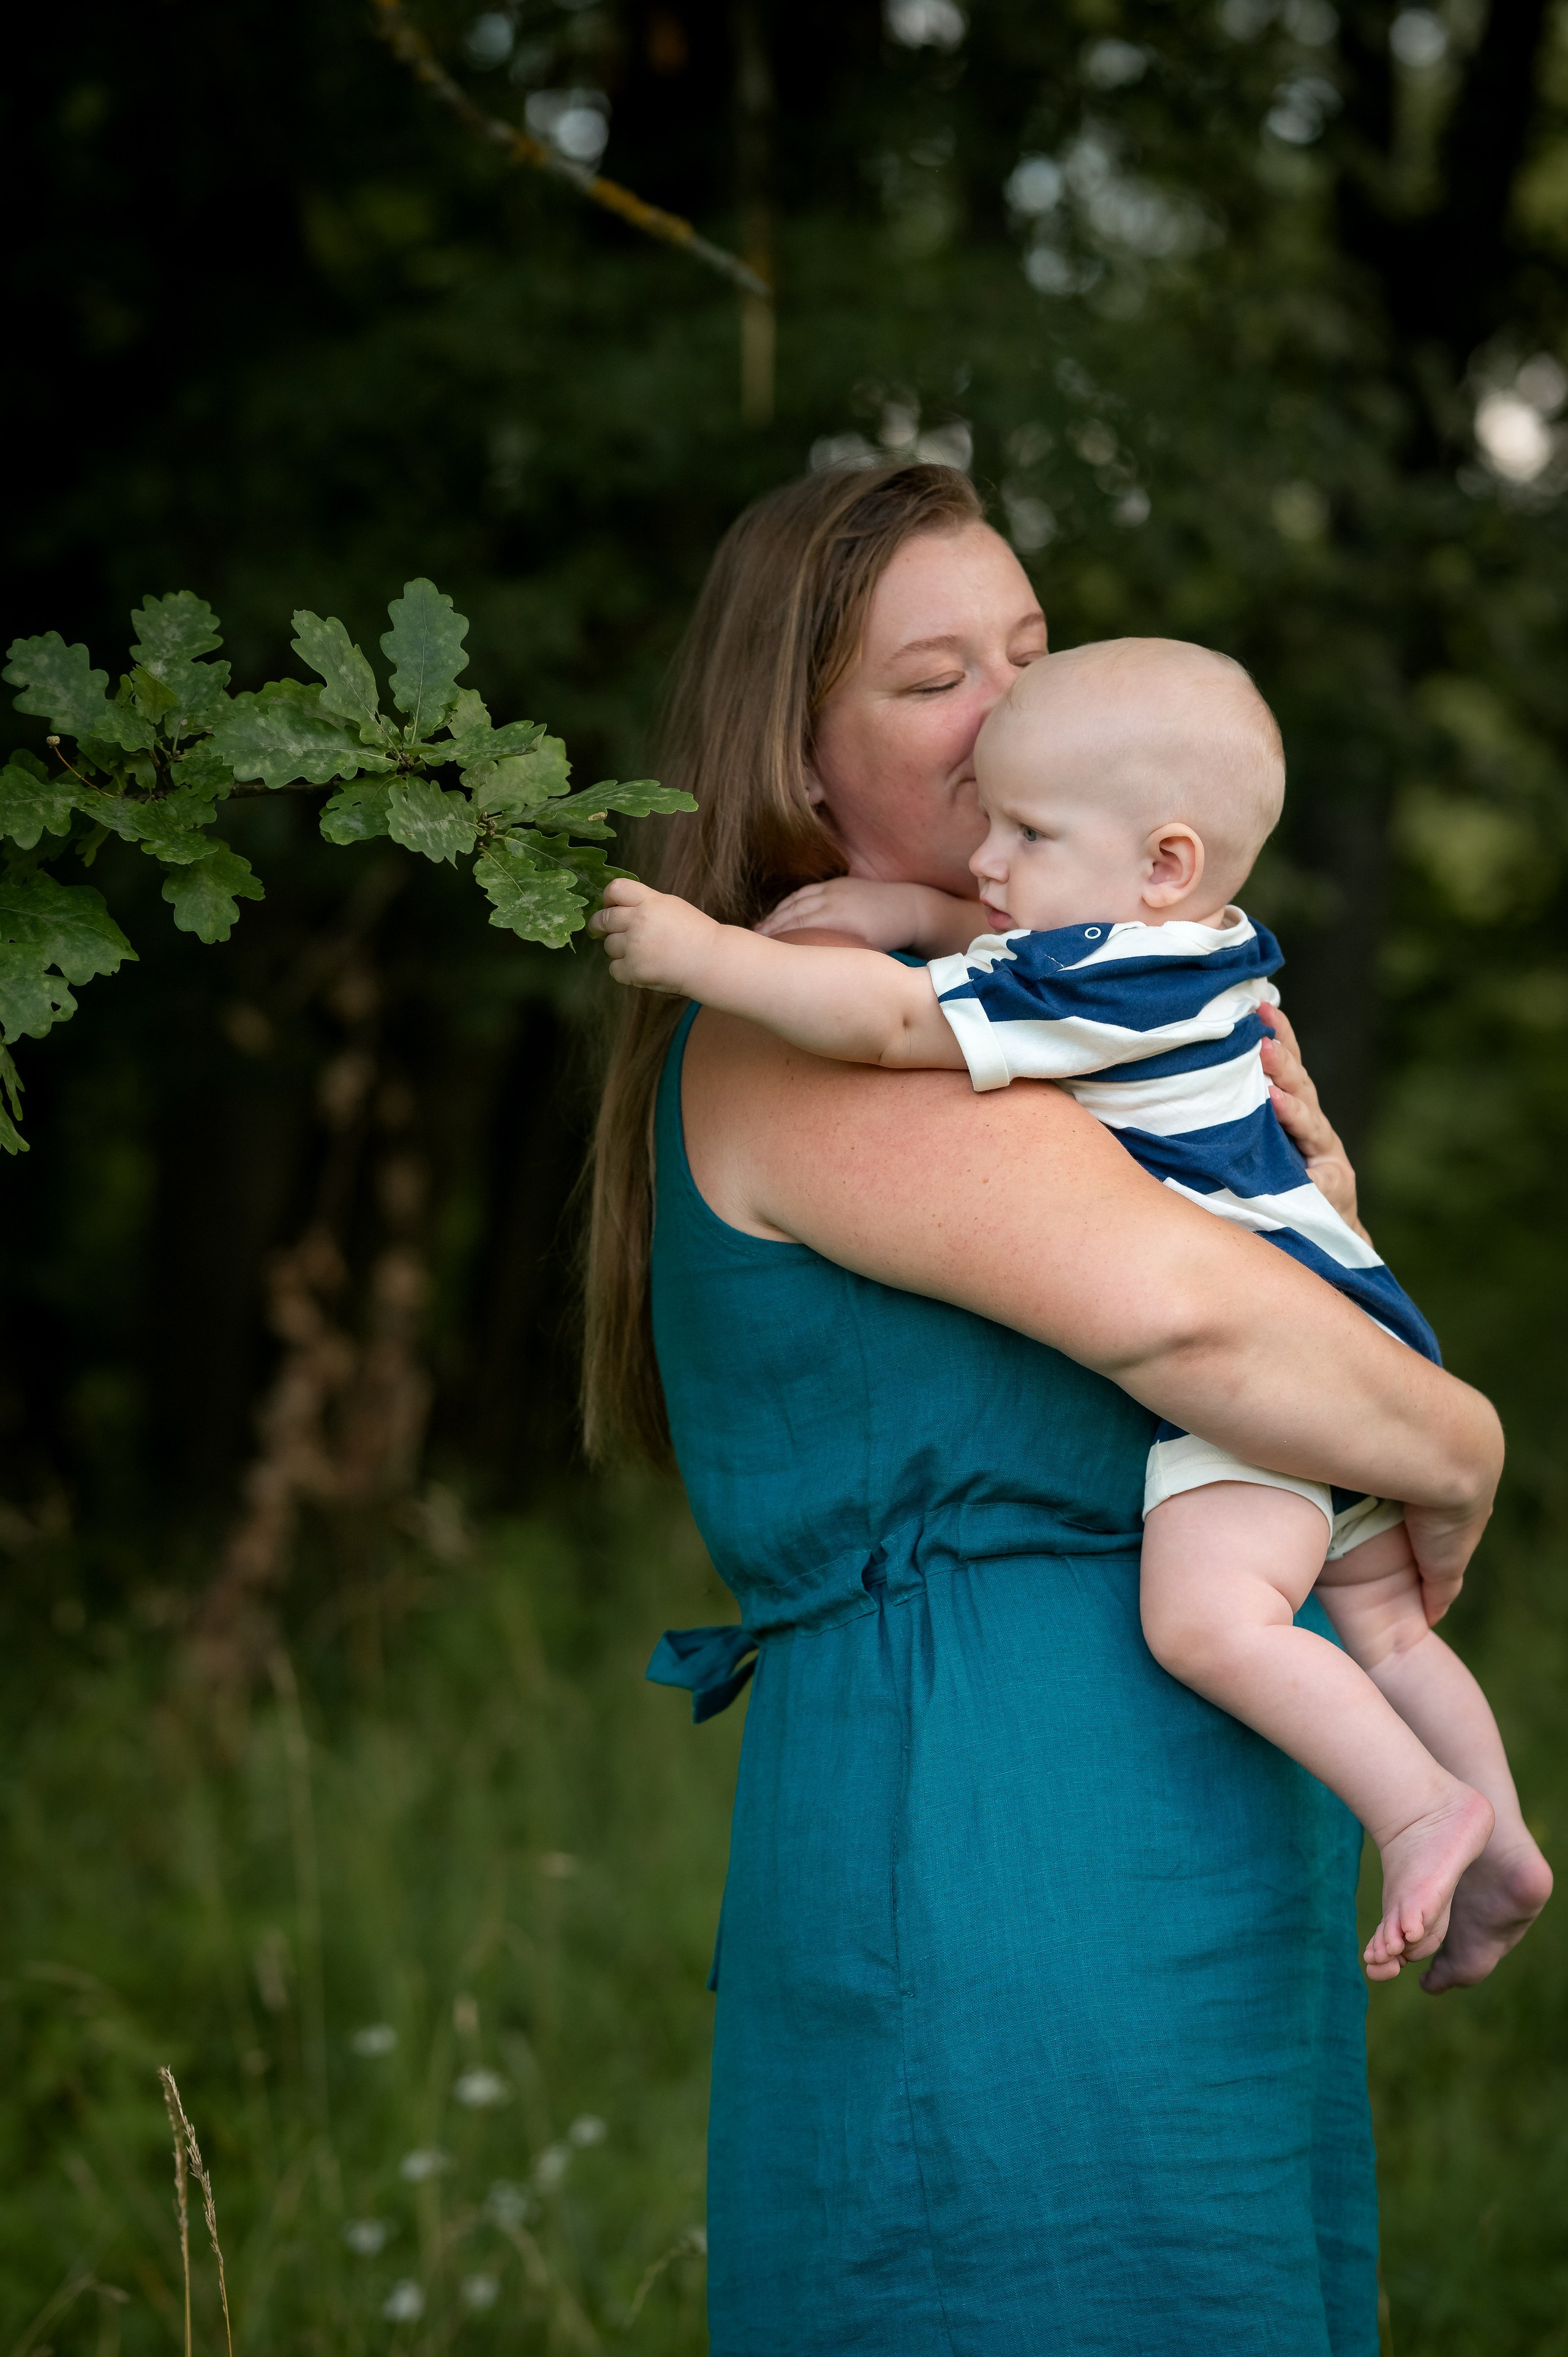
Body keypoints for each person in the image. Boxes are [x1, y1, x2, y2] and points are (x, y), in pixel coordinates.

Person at [583, 462, 1508, 2356]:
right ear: (799, 758)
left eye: (1029, 646)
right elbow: (1205, 1338)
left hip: (1195, 1844)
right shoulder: (806, 1025)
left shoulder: (1066, 1009)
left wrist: (1326, 1258)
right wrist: (1462, 1442)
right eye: (935, 680)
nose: (1012, 708)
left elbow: (1288, 1289)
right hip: (1002, 1849)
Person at [592, 632, 1551, 1993]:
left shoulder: (1086, 982)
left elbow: (884, 1029)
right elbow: (1004, 945)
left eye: (1027, 829)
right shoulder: (1201, 946)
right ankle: (1503, 1831)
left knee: (1212, 1621)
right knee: (1390, 1631)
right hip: (1351, 1320)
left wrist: (701, 953)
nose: (990, 857)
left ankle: (1417, 1809)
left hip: (1266, 1374)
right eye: (939, 686)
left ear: (1157, 862)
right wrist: (904, 914)